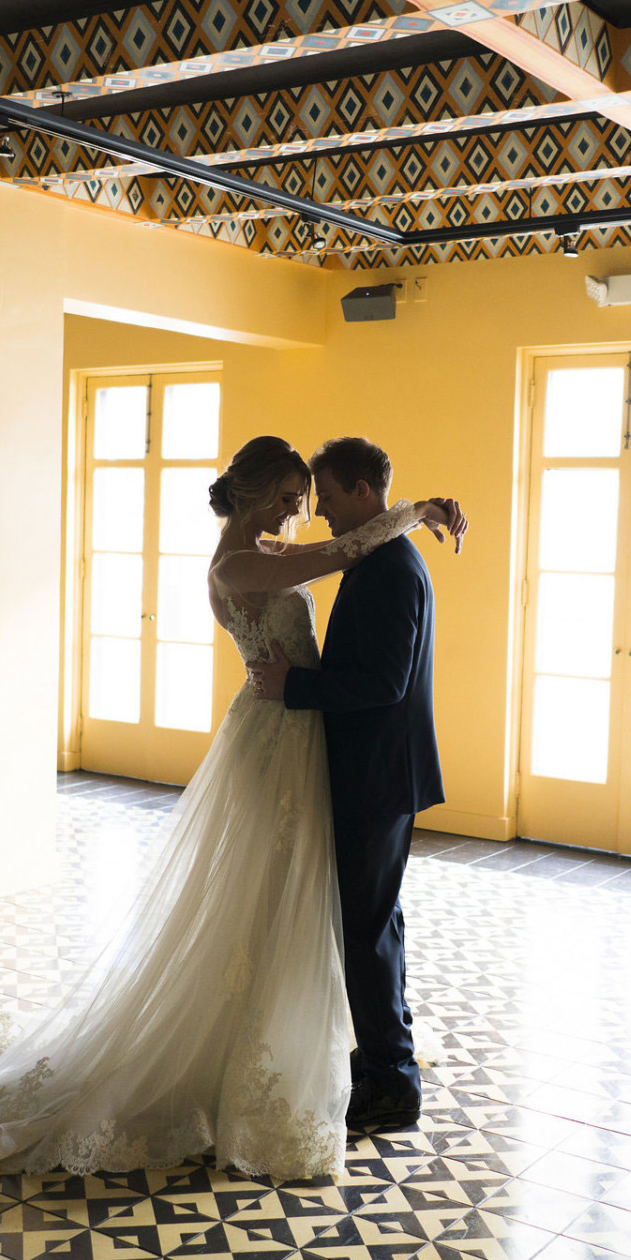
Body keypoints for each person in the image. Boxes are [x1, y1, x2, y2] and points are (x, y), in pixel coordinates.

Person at [0, 435, 466, 1179]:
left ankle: (358, 1057)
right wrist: (417, 509)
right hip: (278, 737)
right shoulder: (242, 563)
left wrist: (408, 513)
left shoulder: (281, 550)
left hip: (316, 744)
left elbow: (347, 581)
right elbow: (335, 558)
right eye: (297, 498)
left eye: (320, 499)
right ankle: (325, 1060)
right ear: (265, 492)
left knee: (336, 910)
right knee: (298, 905)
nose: (308, 512)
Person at [245, 437, 451, 1130]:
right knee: (375, 920)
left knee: (365, 927)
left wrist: (292, 684)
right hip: (377, 770)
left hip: (378, 773)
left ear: (364, 491)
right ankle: (386, 1059)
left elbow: (384, 681)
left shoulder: (393, 568)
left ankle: (393, 1079)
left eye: (328, 496)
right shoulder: (382, 553)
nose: (322, 511)